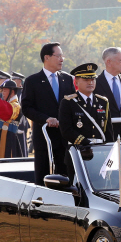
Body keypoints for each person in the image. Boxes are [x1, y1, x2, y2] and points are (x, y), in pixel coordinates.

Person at [21, 42, 77, 184]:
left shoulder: (68, 79)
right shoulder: (32, 81)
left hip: (65, 139)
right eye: (58, 56)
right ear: (47, 57)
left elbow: (74, 106)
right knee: (43, 178)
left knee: (65, 179)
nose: (62, 59)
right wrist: (46, 119)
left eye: (62, 56)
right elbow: (27, 108)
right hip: (44, 139)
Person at [59, 63, 114, 182]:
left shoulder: (103, 102)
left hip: (100, 155)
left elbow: (108, 132)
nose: (90, 82)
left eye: (93, 79)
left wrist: (110, 154)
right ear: (76, 82)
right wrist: (86, 143)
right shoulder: (68, 102)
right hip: (78, 153)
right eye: (86, 79)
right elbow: (66, 130)